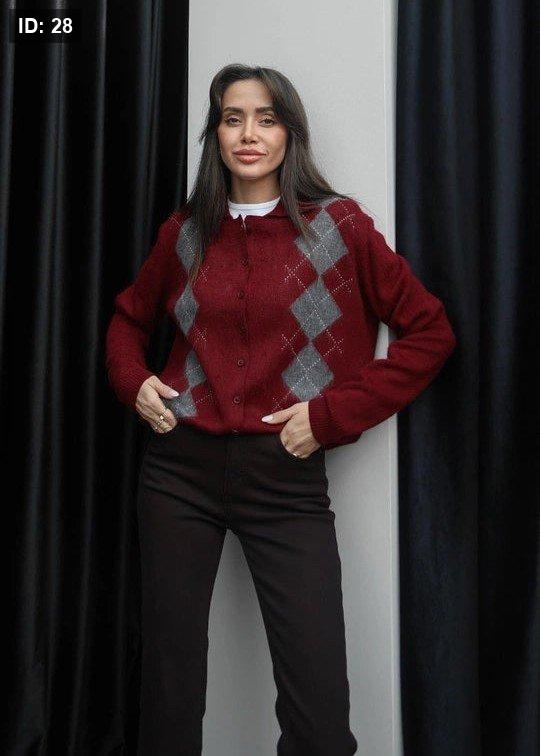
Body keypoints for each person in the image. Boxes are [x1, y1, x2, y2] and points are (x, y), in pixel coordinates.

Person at [105, 63, 457, 756]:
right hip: (177, 475)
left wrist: (328, 417)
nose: (249, 134)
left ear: (291, 133)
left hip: (284, 483)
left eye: (267, 119)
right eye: (233, 118)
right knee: (170, 690)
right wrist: (133, 380)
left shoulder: (340, 228)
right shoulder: (186, 232)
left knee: (319, 712)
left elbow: (430, 332)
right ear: (215, 134)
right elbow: (128, 320)